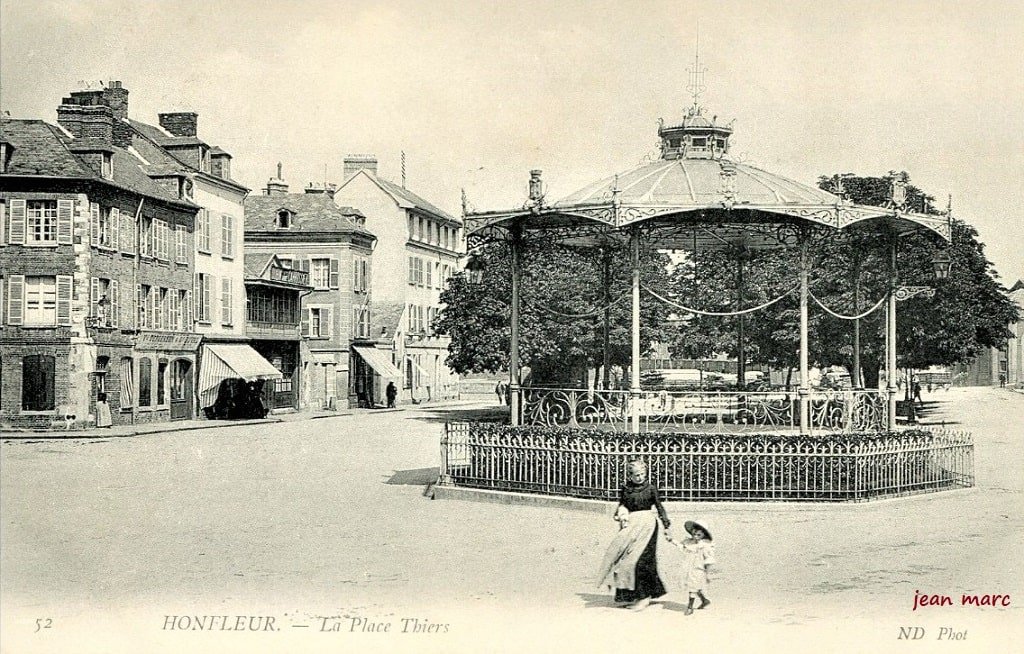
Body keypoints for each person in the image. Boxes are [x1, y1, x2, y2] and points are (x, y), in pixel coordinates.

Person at [596, 460, 672, 611]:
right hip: (631, 526)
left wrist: (666, 525)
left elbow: (659, 506)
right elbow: (622, 504)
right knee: (625, 561)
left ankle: (645, 597)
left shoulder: (651, 489)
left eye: (642, 474)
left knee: (642, 560)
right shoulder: (626, 489)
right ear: (630, 475)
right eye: (636, 475)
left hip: (648, 526)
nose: (640, 477)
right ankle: (634, 596)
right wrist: (620, 514)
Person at [667, 520, 715, 615]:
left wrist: (708, 573)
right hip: (689, 567)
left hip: (699, 568)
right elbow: (681, 545)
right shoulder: (689, 542)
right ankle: (704, 600)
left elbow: (709, 560)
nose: (696, 536)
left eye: (699, 535)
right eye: (694, 534)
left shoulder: (705, 546)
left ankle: (690, 607)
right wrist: (671, 540)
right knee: (694, 585)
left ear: (703, 535)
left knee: (693, 586)